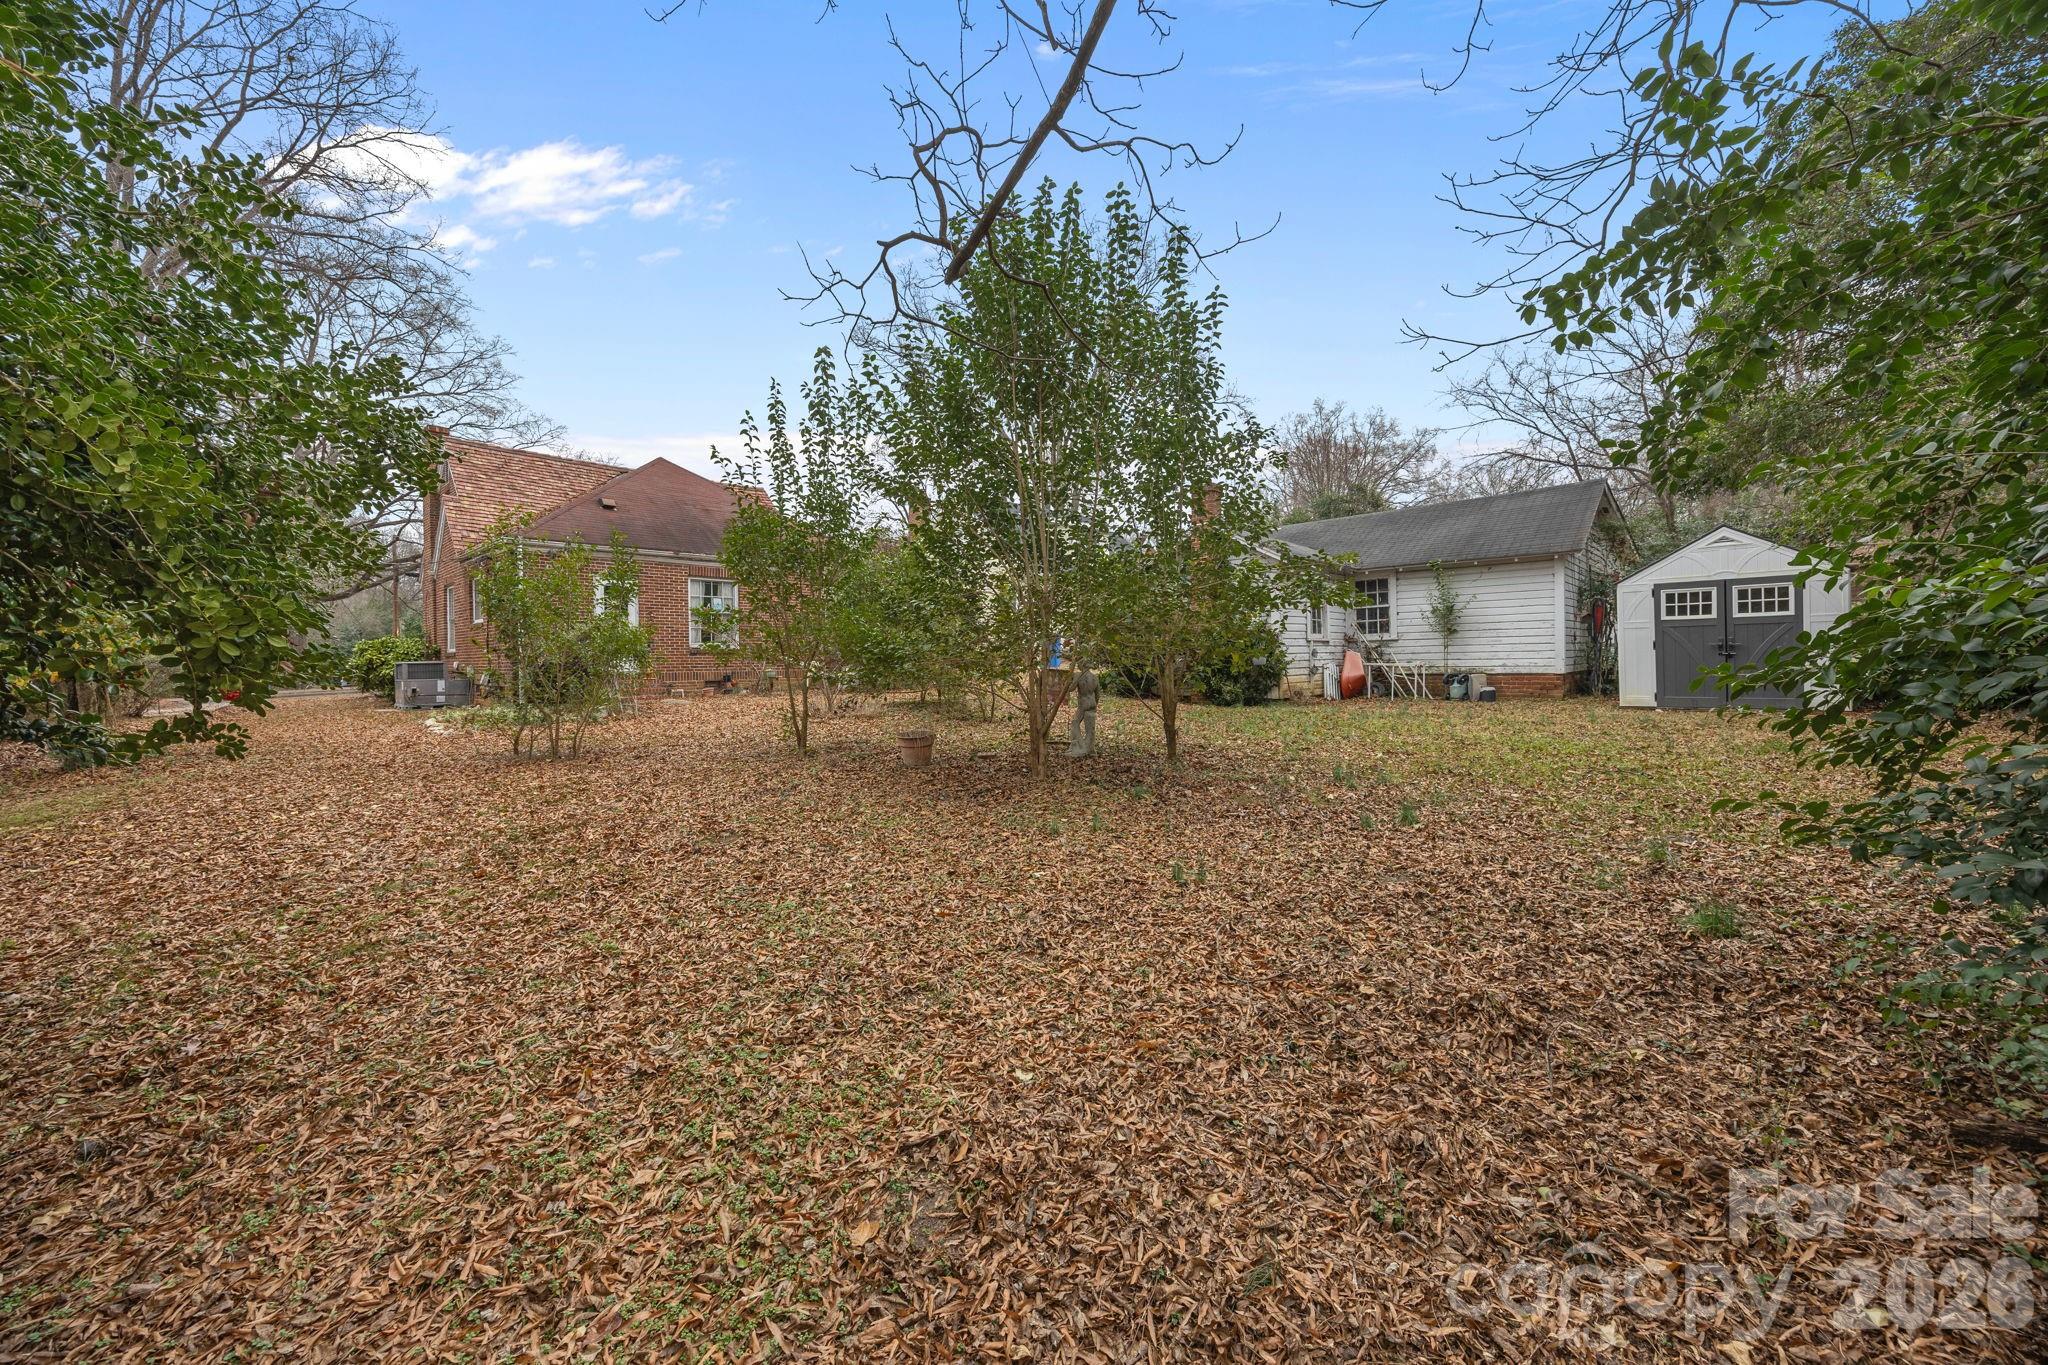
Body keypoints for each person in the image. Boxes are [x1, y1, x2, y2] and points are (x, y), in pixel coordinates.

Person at [1066, 666, 1098, 758]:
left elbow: (1071, 688)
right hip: (1092, 702)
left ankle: (1082, 746)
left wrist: (1070, 680)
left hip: (1083, 703)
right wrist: (1095, 705)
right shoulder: (1094, 677)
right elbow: (1097, 693)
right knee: (1090, 727)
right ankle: (1090, 748)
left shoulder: (1078, 675)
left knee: (1074, 722)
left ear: (1081, 665)